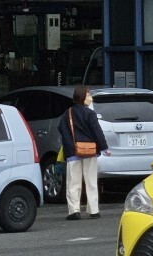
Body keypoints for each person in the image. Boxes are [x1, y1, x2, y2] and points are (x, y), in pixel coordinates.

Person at [58, 85, 109, 220]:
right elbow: (97, 131)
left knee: (73, 182)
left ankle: (74, 211)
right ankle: (93, 210)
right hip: (90, 151)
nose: (91, 98)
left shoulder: (68, 113)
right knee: (91, 181)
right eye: (88, 95)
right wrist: (104, 147)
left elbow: (62, 129)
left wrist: (69, 145)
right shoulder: (90, 114)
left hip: (73, 151)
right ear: (82, 97)